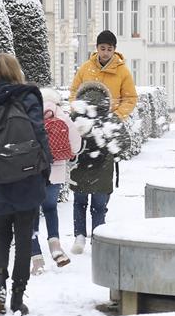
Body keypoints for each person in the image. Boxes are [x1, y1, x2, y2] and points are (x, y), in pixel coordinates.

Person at [0, 53, 52, 316]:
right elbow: (39, 134)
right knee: (25, 237)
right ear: (17, 71)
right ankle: (18, 295)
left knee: (2, 235)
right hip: (27, 177)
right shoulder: (28, 97)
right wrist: (44, 170)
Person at [69, 30, 137, 253]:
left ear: (114, 50)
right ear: (97, 48)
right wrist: (80, 113)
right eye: (102, 48)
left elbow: (130, 98)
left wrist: (115, 117)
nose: (105, 52)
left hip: (106, 134)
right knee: (80, 195)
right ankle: (79, 236)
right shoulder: (85, 69)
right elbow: (74, 92)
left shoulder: (122, 71)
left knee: (100, 197)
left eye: (109, 49)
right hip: (84, 134)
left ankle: (98, 236)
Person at [30, 87, 82, 275]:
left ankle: (36, 257)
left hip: (34, 171)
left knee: (31, 213)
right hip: (56, 170)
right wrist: (69, 154)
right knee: (51, 208)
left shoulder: (29, 113)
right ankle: (55, 247)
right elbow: (76, 144)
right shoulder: (62, 115)